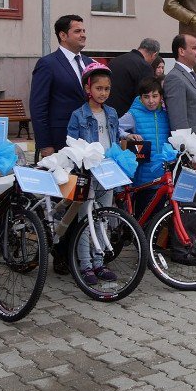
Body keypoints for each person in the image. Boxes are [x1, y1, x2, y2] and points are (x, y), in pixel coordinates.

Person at [67, 62, 142, 284]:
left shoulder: (111, 113)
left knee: (104, 218)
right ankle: (86, 265)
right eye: (98, 88)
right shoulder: (78, 115)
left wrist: (128, 136)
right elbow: (71, 143)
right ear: (88, 89)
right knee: (85, 218)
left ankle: (100, 262)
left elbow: (115, 131)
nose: (103, 93)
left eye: (107, 89)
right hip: (87, 172)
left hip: (107, 171)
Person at [162, 34, 196, 266]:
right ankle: (180, 248)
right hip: (191, 153)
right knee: (186, 201)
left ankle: (189, 244)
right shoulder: (175, 78)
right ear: (180, 51)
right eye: (194, 47)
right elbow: (179, 121)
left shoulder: (192, 76)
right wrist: (189, 153)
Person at [29, 14, 93, 160]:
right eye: (77, 31)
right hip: (60, 139)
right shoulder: (48, 64)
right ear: (63, 35)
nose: (83, 35)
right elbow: (38, 106)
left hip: (89, 139)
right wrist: (45, 143)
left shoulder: (89, 62)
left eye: (84, 31)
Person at [119, 77, 171, 217]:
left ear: (161, 96)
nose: (151, 100)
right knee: (143, 215)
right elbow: (114, 126)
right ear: (140, 98)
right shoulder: (134, 114)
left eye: (155, 96)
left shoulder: (166, 115)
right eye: (146, 97)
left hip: (163, 174)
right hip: (143, 177)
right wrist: (127, 135)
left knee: (160, 215)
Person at [107, 38, 160, 117]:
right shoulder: (145, 67)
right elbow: (146, 97)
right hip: (128, 117)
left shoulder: (115, 61)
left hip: (107, 113)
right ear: (154, 55)